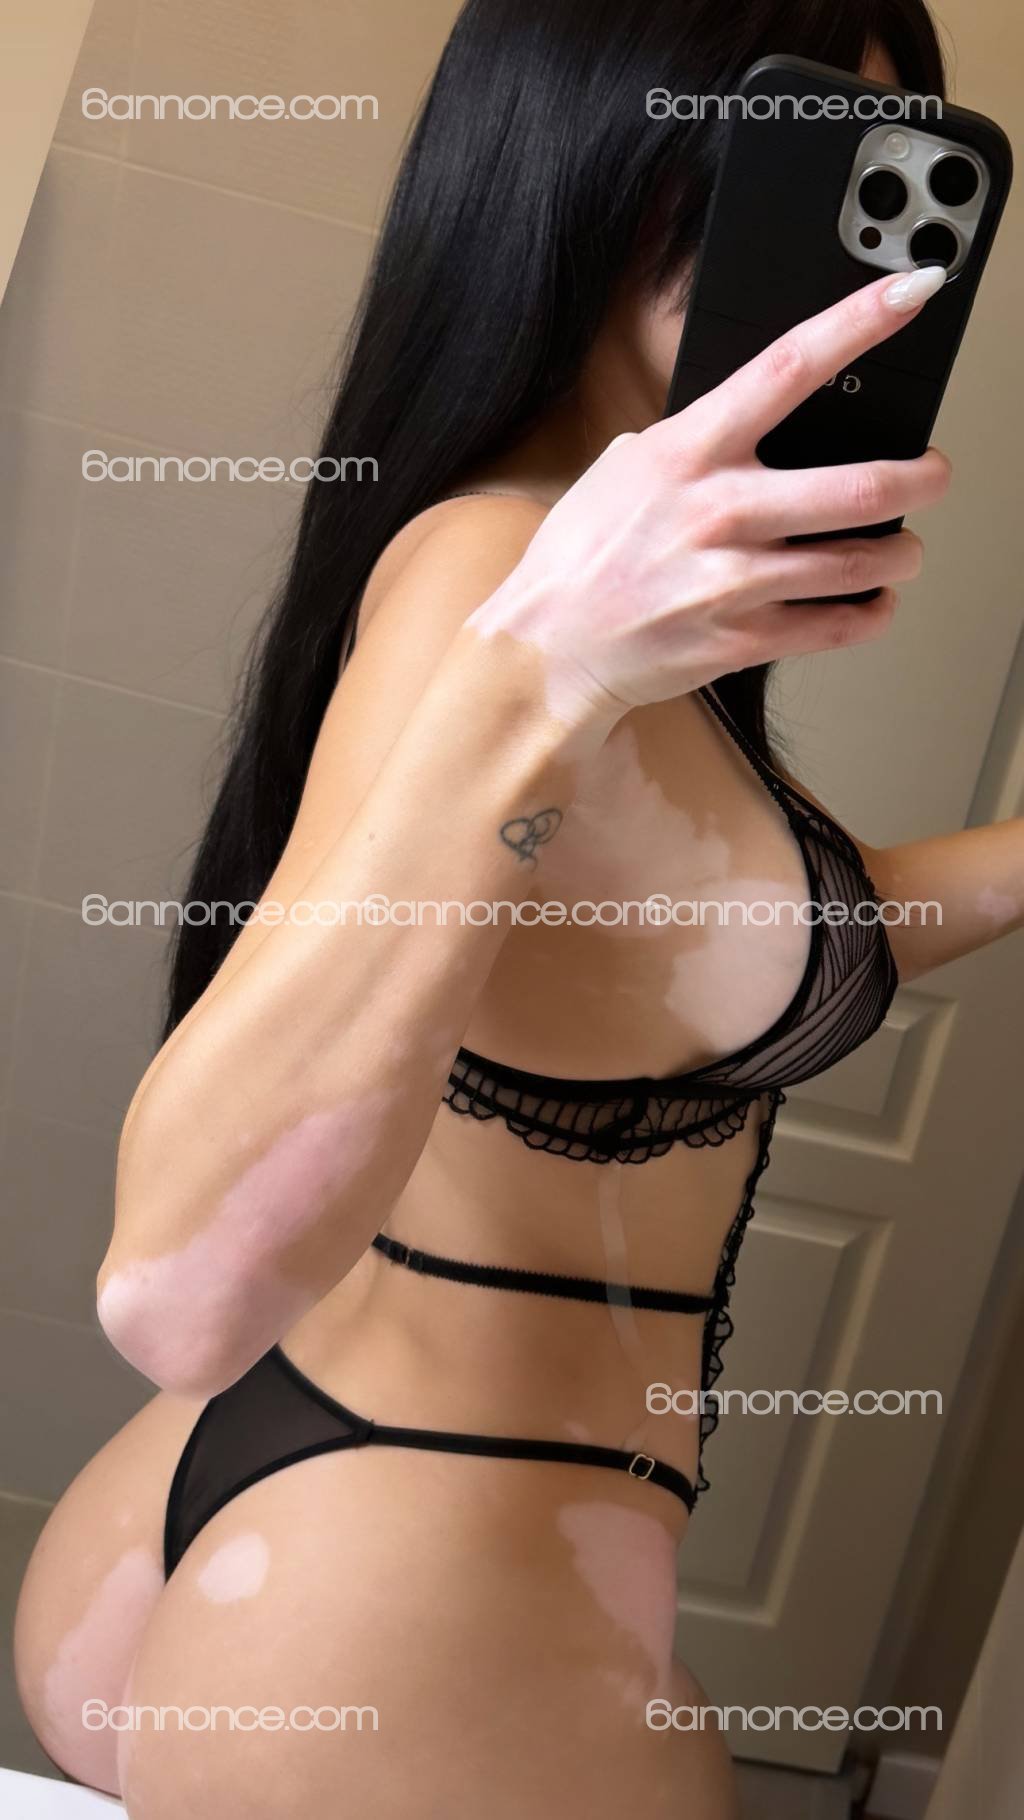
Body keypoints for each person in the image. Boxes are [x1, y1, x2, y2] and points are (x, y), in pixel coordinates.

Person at [14, 3, 1021, 1815]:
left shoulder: (545, 544)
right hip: (411, 1588)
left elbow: (736, 937)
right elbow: (174, 1293)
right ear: (598, 160)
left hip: (312, 1520)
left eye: (888, 170)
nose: (858, 252)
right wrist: (542, 673)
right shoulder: (513, 574)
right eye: (794, 163)